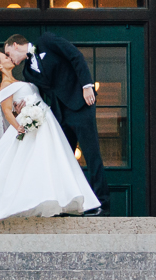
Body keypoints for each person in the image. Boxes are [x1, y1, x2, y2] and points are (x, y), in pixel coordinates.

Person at [0, 50, 100, 221]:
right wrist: (19, 126)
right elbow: (7, 112)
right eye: (5, 57)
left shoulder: (17, 81)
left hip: (46, 123)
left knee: (51, 160)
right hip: (31, 127)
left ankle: (59, 200)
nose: (9, 57)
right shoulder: (5, 86)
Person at [8, 32, 106, 215]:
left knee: (92, 155)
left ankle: (102, 204)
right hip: (60, 115)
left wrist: (87, 85)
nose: (10, 59)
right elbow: (37, 94)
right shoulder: (26, 71)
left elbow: (75, 56)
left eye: (9, 54)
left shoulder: (46, 41)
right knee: (64, 160)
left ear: (15, 45)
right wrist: (23, 104)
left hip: (81, 104)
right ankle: (69, 205)